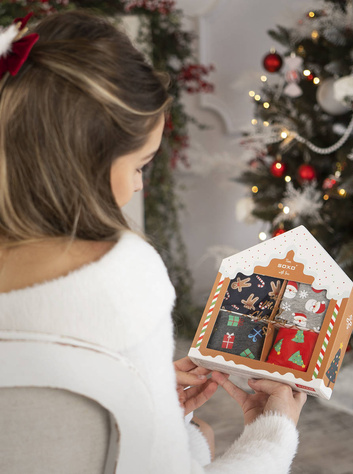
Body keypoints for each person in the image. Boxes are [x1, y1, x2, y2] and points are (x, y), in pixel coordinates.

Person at [0, 10, 306, 473]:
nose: (140, 185)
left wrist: (144, 399)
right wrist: (274, 430)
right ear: (85, 165)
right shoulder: (122, 279)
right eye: (140, 165)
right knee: (201, 435)